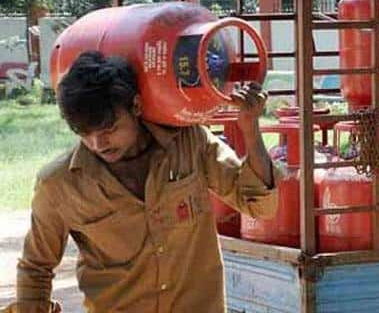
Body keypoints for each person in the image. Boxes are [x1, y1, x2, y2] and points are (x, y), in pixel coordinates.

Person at [2, 51, 280, 313]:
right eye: (85, 133)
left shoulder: (190, 143)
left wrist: (250, 127)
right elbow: (36, 269)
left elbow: (259, 206)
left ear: (135, 106)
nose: (98, 143)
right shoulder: (59, 185)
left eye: (109, 129)